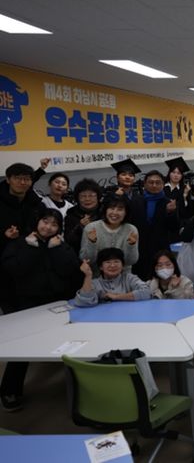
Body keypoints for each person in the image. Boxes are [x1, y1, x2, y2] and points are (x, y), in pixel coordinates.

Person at [0, 208, 82, 412]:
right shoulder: (21, 243)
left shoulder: (61, 244)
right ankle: (10, 390)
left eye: (54, 224)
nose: (49, 227)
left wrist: (56, 249)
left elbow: (70, 270)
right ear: (37, 222)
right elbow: (15, 270)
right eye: (45, 221)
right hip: (28, 302)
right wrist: (32, 248)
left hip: (58, 303)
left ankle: (79, 388)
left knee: (70, 344)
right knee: (23, 346)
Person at [0, 163, 43, 314]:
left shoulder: (35, 202)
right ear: (8, 179)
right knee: (10, 306)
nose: (22, 182)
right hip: (5, 261)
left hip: (31, 258)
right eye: (18, 178)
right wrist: (4, 235)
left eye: (27, 179)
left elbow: (45, 222)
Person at [128, 170, 181, 280]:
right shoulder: (136, 201)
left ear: (163, 184)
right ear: (145, 184)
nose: (154, 185)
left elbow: (174, 228)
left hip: (160, 249)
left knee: (161, 280)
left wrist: (171, 213)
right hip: (140, 249)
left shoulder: (168, 203)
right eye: (151, 182)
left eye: (158, 182)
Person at [80, 195, 139, 276]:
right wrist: (92, 243)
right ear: (105, 210)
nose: (115, 212)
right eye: (111, 208)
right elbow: (86, 260)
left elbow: (130, 261)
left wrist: (131, 245)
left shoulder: (131, 229)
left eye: (120, 209)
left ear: (126, 212)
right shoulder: (91, 228)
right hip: (97, 277)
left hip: (123, 278)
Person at [74, 247, 152, 306]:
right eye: (108, 262)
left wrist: (117, 296)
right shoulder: (95, 283)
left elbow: (147, 292)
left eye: (116, 261)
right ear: (101, 267)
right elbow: (83, 302)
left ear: (122, 265)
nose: (112, 265)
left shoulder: (129, 278)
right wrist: (88, 276)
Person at [64, 178, 102, 255]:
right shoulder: (71, 214)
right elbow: (68, 241)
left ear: (98, 197)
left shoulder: (105, 212)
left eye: (91, 195)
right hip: (80, 255)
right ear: (77, 198)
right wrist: (79, 227)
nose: (87, 199)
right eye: (83, 196)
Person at [163, 156, 191, 225]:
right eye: (173, 172)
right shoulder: (162, 187)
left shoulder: (185, 189)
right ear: (169, 173)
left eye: (179, 173)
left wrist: (184, 196)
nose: (176, 175)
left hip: (179, 223)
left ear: (181, 176)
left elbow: (187, 210)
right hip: (163, 222)